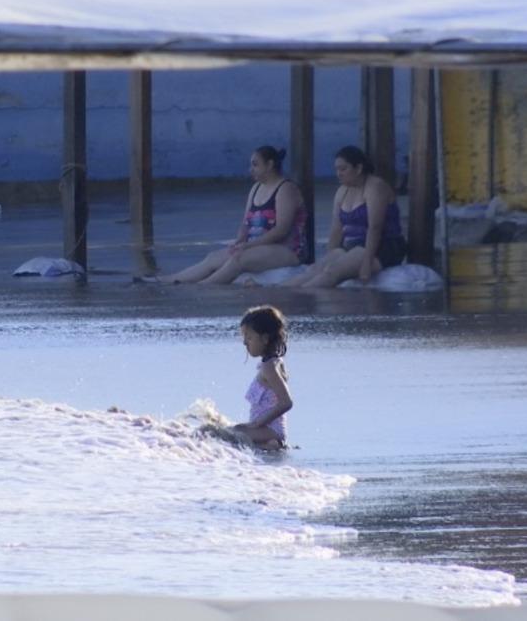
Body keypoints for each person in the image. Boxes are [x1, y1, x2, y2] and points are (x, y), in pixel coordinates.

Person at [153, 146, 306, 284]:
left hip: (286, 250)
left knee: (238, 259)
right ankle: (170, 279)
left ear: (270, 165)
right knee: (213, 258)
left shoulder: (286, 189)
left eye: (255, 165)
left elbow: (281, 230)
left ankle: (203, 287)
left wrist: (248, 246)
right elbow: (246, 224)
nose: (250, 170)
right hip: (257, 247)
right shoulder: (256, 188)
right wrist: (239, 241)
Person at [285, 145, 406, 288]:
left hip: (383, 245)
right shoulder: (342, 191)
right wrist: (330, 256)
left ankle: (304, 298)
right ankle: (280, 293)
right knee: (314, 270)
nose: (339, 174)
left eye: (343, 169)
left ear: (358, 168)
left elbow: (375, 227)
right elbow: (336, 229)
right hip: (353, 246)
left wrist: (366, 263)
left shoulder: (375, 186)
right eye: (337, 170)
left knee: (332, 272)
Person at [230, 305, 294, 450]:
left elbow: (286, 402)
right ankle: (268, 444)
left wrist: (257, 423)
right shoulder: (271, 363)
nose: (245, 343)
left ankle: (272, 442)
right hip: (268, 430)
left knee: (224, 434)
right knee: (233, 430)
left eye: (249, 338)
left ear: (265, 339)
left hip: (271, 430)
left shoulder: (270, 367)